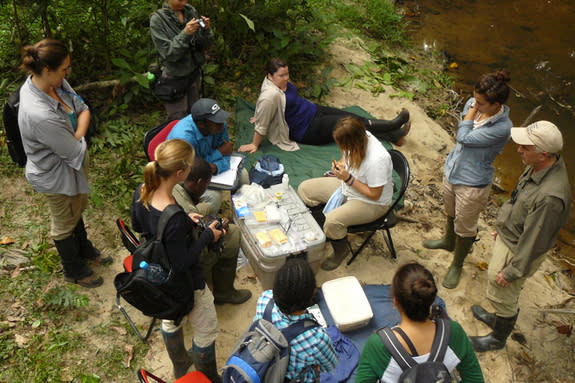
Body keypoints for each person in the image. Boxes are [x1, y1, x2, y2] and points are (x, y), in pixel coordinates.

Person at [470, 121, 571, 352]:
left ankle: (498, 337)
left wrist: (513, 271)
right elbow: (518, 199)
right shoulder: (537, 166)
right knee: (498, 285)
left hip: (521, 247)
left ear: (543, 154)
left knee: (503, 287)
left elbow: (535, 242)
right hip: (512, 235)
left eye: (525, 147)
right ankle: (497, 318)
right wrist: (504, 224)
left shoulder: (550, 197)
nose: (518, 150)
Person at [18, 38, 111, 288]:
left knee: (76, 207)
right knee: (63, 221)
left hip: (71, 168)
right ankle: (73, 269)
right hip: (56, 175)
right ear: (47, 69)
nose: (68, 73)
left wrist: (77, 135)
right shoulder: (38, 113)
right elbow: (74, 151)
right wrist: (80, 135)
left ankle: (84, 248)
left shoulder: (56, 83)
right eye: (64, 69)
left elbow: (82, 108)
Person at [131, 139, 223, 381]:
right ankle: (209, 377)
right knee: (206, 330)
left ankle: (180, 364)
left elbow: (138, 226)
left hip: (155, 275)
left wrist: (183, 220)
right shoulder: (173, 217)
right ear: (181, 173)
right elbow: (182, 263)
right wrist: (206, 236)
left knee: (170, 321)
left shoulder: (141, 190)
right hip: (184, 283)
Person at [422, 70, 513, 289]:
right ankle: (448, 241)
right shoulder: (475, 103)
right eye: (474, 100)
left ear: (496, 104)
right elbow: (464, 133)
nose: (473, 105)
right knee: (450, 211)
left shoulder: (503, 128)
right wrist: (474, 108)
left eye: (480, 104)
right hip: (454, 170)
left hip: (473, 182)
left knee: (466, 226)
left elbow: (463, 137)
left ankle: (457, 264)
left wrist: (470, 113)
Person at [238, 58, 411, 154]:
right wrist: (255, 144)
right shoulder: (270, 95)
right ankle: (392, 125)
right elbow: (262, 119)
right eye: (281, 75)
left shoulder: (276, 82)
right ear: (270, 75)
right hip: (306, 129)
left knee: (354, 117)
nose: (286, 78)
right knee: (349, 123)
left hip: (313, 110)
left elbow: (264, 112)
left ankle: (394, 135)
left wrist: (260, 115)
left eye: (287, 74)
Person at [356, 262, 484, 383]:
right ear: (431, 299)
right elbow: (475, 380)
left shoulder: (378, 345)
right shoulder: (454, 333)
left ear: (395, 302)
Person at [298, 116, 393, 270]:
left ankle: (340, 250)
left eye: (344, 146)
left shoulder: (378, 160)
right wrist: (341, 165)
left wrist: (348, 178)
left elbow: (374, 194)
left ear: (355, 142)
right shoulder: (360, 137)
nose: (343, 150)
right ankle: (327, 231)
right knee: (305, 189)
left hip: (371, 202)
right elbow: (346, 155)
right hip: (349, 185)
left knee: (332, 221)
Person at [172, 156, 252, 304]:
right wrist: (218, 231)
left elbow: (197, 214)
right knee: (233, 234)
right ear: (200, 182)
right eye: (207, 184)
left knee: (206, 207)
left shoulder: (172, 185)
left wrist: (211, 219)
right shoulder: (183, 215)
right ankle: (224, 293)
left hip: (160, 253)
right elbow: (197, 251)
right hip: (182, 268)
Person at [253, 257, 337, 382]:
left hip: (261, 368)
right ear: (313, 293)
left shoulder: (265, 300)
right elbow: (331, 366)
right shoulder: (317, 339)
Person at [150, 0, 213, 120]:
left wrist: (206, 30)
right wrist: (185, 34)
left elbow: (204, 43)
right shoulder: (158, 20)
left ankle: (193, 138)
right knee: (178, 119)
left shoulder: (190, 11)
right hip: (175, 78)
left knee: (195, 114)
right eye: (180, 0)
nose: (184, 2)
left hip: (193, 73)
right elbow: (168, 54)